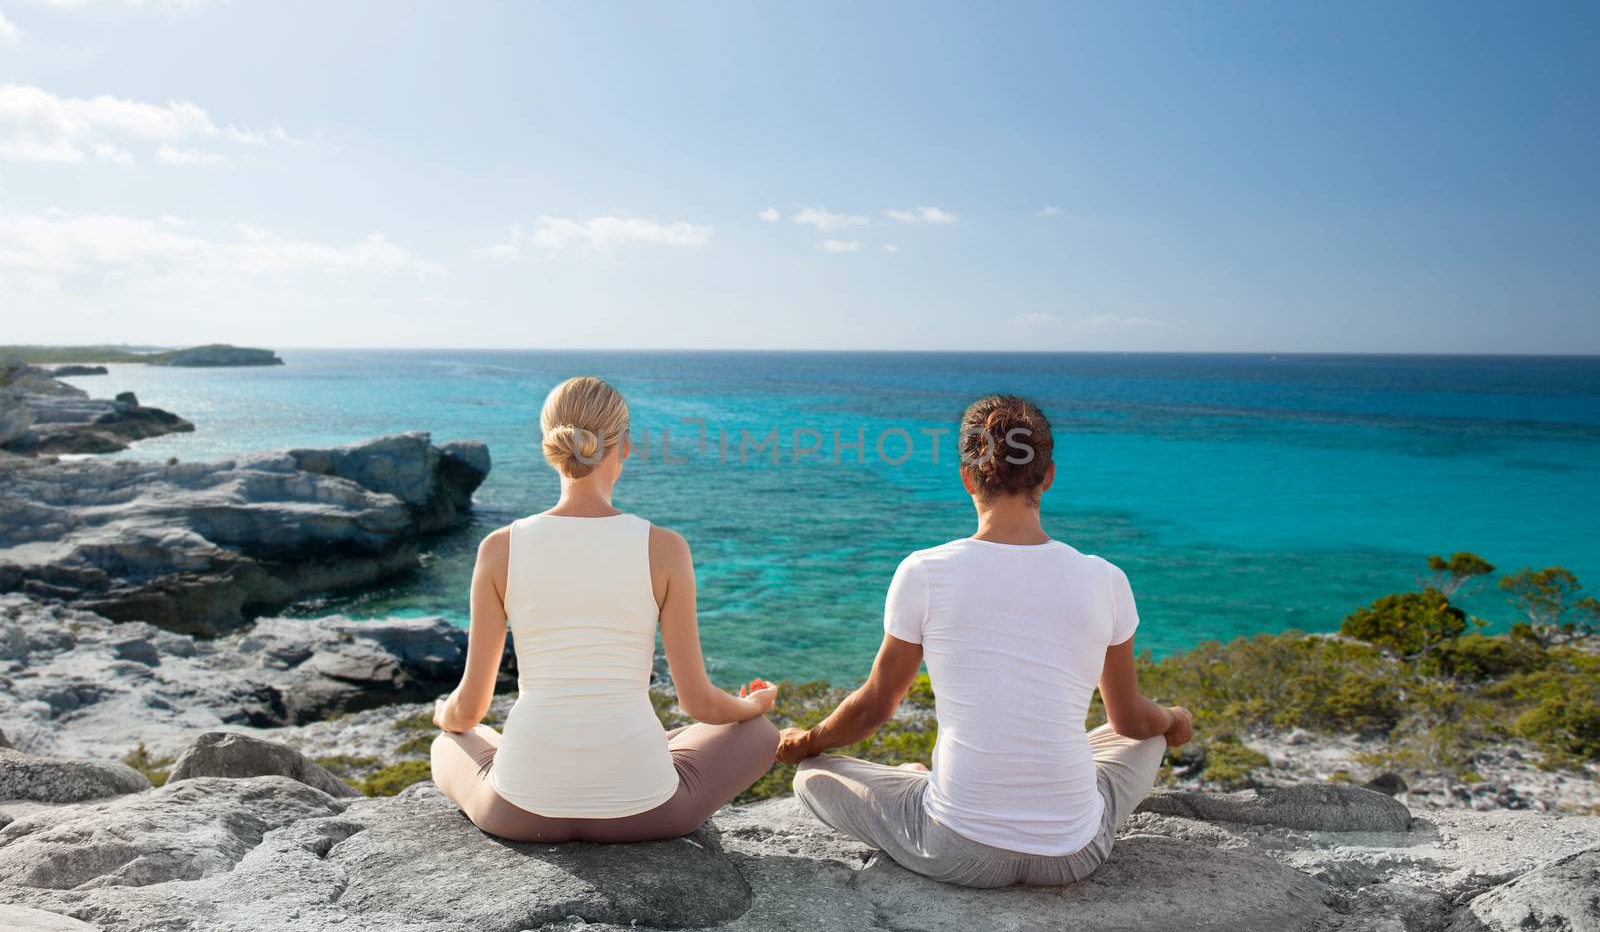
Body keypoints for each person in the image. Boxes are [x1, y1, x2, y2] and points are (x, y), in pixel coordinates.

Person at [776, 393, 1194, 887]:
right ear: (1049, 476)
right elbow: (1128, 719)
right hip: (1076, 853)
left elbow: (874, 707)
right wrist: (1174, 720)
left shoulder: (925, 571)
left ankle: (923, 784)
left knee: (811, 778)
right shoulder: (1105, 578)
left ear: (967, 478)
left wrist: (805, 742)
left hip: (959, 849)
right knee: (1147, 736)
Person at [431, 375, 780, 842]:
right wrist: (750, 704)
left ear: (548, 446)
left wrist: (444, 715)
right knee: (760, 734)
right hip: (648, 812)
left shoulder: (499, 548)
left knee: (450, 740)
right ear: (626, 446)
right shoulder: (665, 548)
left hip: (518, 812)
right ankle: (651, 751)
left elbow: (470, 710)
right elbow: (698, 703)